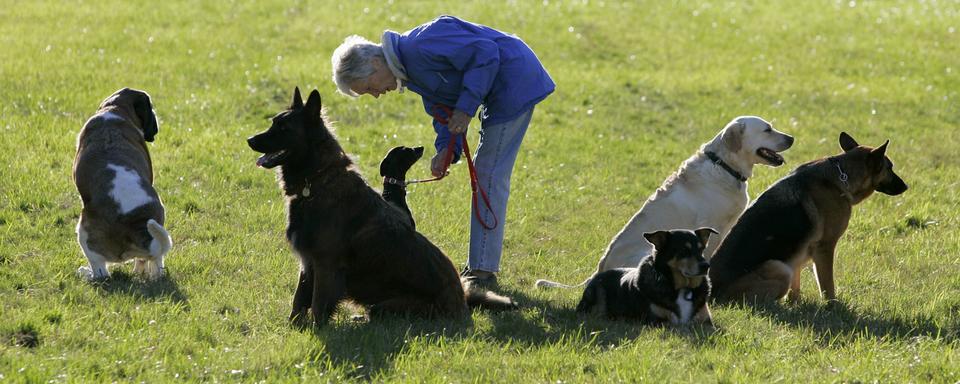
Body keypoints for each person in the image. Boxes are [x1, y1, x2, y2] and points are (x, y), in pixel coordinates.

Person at [331, 15, 555, 286]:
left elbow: (486, 53)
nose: (376, 95)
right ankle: (480, 268)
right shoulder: (409, 70)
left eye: (368, 88)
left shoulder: (422, 44)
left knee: (488, 175)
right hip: (499, 88)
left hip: (516, 81)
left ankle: (482, 273)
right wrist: (445, 151)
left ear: (376, 64)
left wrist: (466, 108)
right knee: (486, 173)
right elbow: (443, 108)